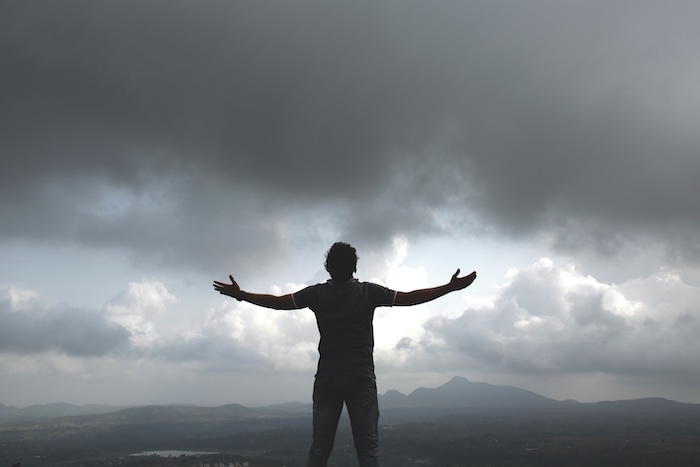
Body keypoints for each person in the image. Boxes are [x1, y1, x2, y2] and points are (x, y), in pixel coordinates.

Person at [213, 242, 477, 467]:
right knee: (368, 450)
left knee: (320, 449)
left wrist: (242, 295)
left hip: (327, 377)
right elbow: (409, 298)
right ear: (354, 267)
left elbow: (278, 302)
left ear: (328, 267)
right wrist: (448, 288)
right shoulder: (368, 292)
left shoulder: (315, 294)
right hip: (360, 378)